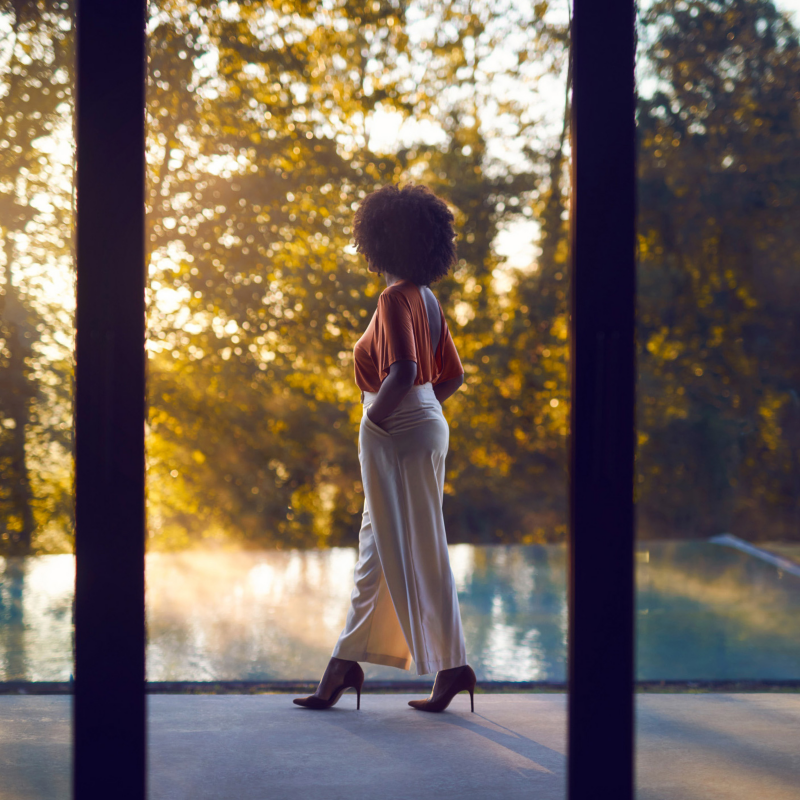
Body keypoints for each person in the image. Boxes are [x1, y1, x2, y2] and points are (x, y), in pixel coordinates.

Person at [293, 183, 476, 713]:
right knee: (378, 542)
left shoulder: (395, 299)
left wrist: (377, 421)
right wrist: (425, 410)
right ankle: (343, 665)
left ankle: (454, 664)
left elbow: (404, 372)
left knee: (421, 543)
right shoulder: (428, 299)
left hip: (393, 423)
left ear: (379, 241)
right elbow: (452, 377)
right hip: (421, 421)